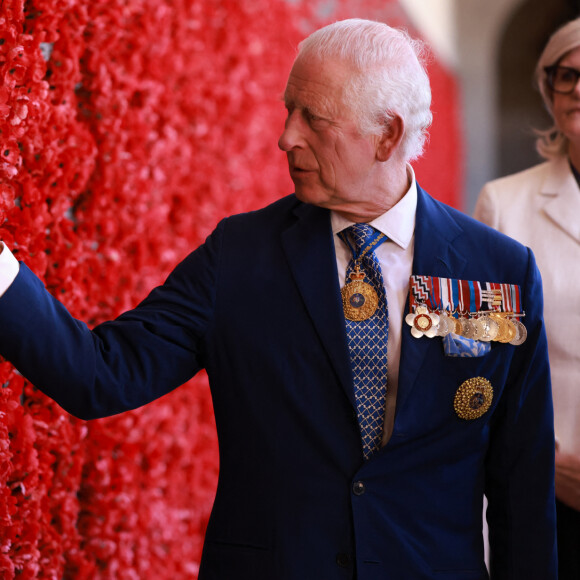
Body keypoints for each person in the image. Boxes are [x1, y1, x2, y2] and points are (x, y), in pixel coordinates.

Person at [0, 19, 556, 579]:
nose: (287, 137)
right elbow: (101, 374)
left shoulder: (502, 272)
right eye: (289, 110)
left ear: (387, 135)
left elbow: (523, 491)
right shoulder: (239, 256)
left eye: (312, 117)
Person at [474, 17, 580, 580]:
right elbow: (481, 356)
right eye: (568, 75)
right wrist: (551, 456)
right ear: (548, 89)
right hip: (543, 486)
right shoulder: (503, 204)